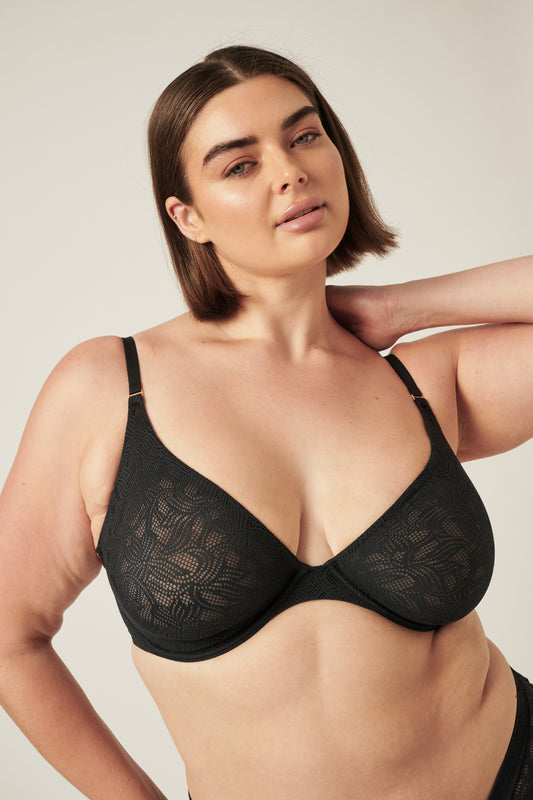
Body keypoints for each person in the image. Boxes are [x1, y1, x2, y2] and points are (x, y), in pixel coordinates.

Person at [0, 43, 532, 800]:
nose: (290, 171)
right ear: (188, 216)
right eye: (240, 164)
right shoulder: (111, 391)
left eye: (305, 135)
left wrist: (401, 306)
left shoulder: (424, 381)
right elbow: (9, 638)